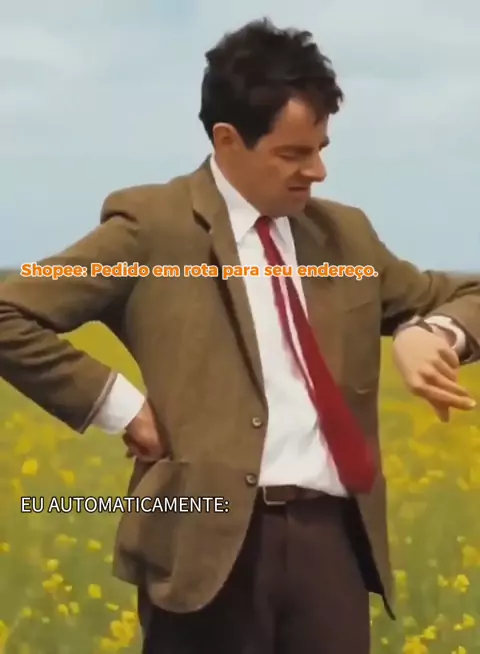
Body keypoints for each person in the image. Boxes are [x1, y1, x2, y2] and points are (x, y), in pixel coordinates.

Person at [0, 17, 479, 654]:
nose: (317, 171)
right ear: (227, 139)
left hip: (330, 547)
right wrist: (121, 407)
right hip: (202, 547)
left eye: (321, 148)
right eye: (293, 154)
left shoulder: (345, 238)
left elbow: (464, 295)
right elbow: (9, 311)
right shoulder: (152, 229)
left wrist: (432, 332)